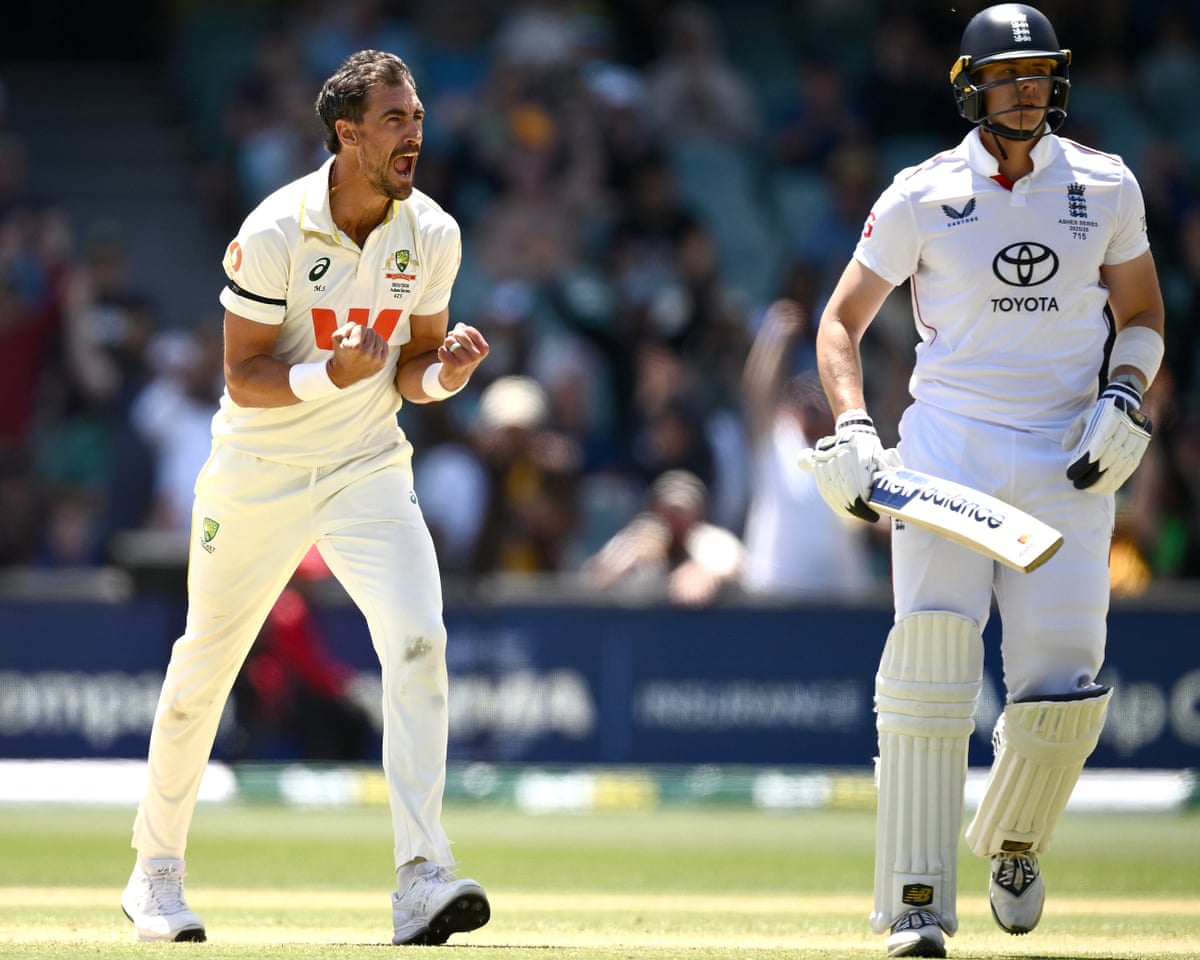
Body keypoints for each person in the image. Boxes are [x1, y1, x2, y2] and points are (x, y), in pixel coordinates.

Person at [805, 6, 1165, 958]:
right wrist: (852, 427)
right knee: (928, 667)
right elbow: (838, 324)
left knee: (1060, 696)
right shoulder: (921, 194)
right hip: (947, 458)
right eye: (1009, 76)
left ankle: (1015, 841)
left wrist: (1125, 396)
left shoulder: (1104, 183)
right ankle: (916, 904)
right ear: (970, 86)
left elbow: (1143, 316)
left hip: (1067, 456)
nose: (1028, 89)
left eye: (1041, 73)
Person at [120, 50, 492, 946]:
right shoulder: (274, 229)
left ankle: (421, 875)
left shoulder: (431, 233)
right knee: (202, 668)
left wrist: (447, 375)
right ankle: (154, 876)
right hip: (259, 473)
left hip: (367, 467)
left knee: (418, 642)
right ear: (348, 132)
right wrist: (332, 374)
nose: (414, 133)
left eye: (418, 117)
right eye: (395, 119)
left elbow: (410, 377)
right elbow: (242, 376)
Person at [739, 299, 875, 600]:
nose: (811, 405)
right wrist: (773, 339)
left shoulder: (858, 445)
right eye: (802, 399)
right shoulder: (775, 441)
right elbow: (755, 394)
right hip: (776, 593)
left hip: (842, 600)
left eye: (819, 399)